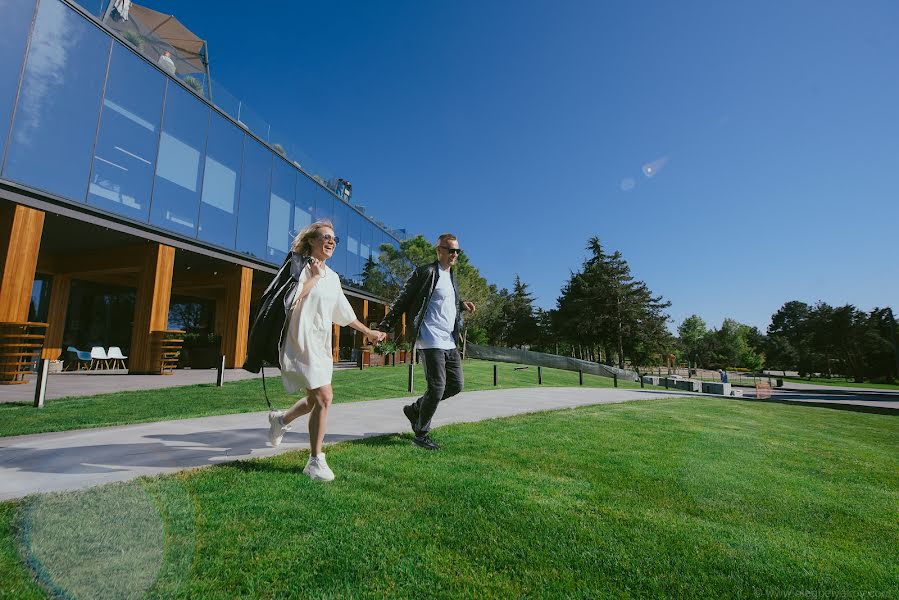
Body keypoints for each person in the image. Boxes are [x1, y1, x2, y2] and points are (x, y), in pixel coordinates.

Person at [266, 221, 386, 481]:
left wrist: (368, 331)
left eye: (334, 239)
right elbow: (291, 299)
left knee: (314, 400)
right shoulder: (297, 266)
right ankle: (315, 461)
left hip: (320, 344)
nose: (331, 242)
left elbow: (343, 312)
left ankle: (281, 420)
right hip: (300, 340)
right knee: (324, 397)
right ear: (311, 241)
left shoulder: (331, 276)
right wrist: (315, 277)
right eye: (325, 237)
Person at [378, 233, 475, 450]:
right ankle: (421, 434)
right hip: (430, 337)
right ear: (439, 250)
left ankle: (415, 410)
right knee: (438, 386)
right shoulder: (426, 272)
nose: (455, 254)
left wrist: (462, 305)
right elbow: (403, 300)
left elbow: (446, 302)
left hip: (448, 339)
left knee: (456, 385)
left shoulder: (450, 277)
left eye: (457, 251)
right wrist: (384, 327)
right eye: (451, 250)